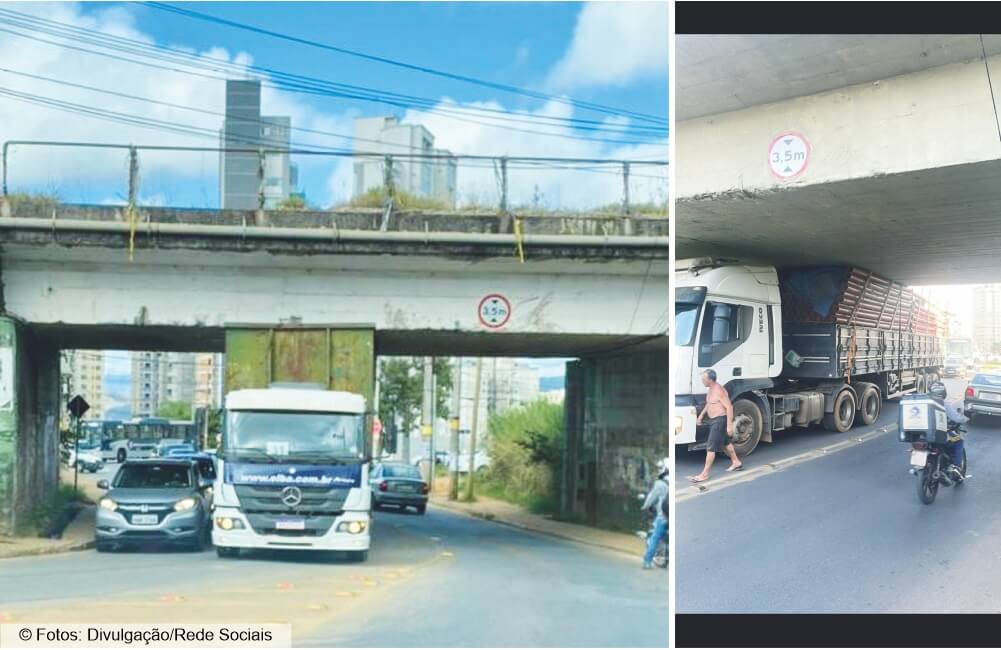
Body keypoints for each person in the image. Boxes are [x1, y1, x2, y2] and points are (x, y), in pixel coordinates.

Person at [689, 369, 742, 483]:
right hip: (714, 420)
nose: (702, 381)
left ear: (710, 380)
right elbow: (709, 403)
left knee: (710, 447)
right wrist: (701, 416)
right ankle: (736, 462)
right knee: (726, 443)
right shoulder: (711, 389)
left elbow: (729, 407)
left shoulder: (719, 390)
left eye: (704, 379)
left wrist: (729, 426)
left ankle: (705, 474)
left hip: (719, 421)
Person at [927, 381, 966, 481]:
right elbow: (957, 418)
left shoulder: (925, 402)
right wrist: (965, 419)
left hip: (923, 435)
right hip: (940, 436)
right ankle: (955, 467)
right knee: (959, 441)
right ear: (944, 393)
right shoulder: (944, 404)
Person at [642, 458, 668, 570]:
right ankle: (666, 559)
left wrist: (644, 507)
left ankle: (647, 562)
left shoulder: (660, 484)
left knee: (655, 538)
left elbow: (651, 499)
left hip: (663, 516)